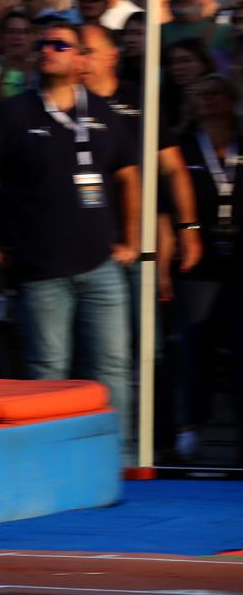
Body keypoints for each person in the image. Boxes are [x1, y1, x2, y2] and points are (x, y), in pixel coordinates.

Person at [0, 18, 140, 463]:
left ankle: (113, 459)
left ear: (81, 60)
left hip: (100, 265)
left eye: (60, 44)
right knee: (48, 373)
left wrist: (131, 239)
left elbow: (128, 174)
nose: (47, 49)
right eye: (42, 43)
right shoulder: (10, 114)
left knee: (112, 368)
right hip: (40, 270)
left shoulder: (103, 114)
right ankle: (48, 462)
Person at [161, 74, 237, 464]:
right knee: (194, 350)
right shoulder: (184, 149)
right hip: (196, 264)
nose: (208, 100)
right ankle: (189, 427)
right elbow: (165, 210)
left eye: (216, 92)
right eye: (200, 93)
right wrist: (163, 267)